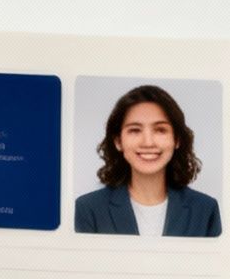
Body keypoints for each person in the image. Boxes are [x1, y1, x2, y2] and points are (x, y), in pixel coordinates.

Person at [73, 84, 221, 237]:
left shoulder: (205, 210)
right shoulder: (88, 209)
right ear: (118, 141)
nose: (148, 142)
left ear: (176, 139)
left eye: (160, 130)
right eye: (135, 130)